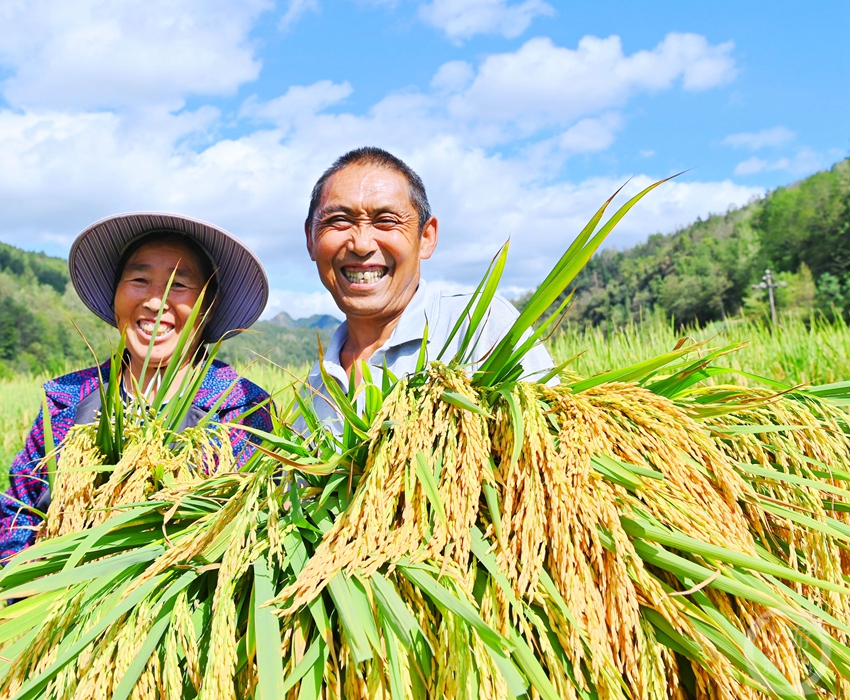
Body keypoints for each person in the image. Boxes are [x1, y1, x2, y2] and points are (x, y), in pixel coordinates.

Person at [0, 212, 273, 560]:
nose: (155, 302)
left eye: (178, 285)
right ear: (116, 294)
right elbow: (16, 514)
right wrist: (26, 591)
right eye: (140, 279)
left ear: (207, 307)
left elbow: (254, 537)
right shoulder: (64, 401)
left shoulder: (241, 411)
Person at [302, 147, 554, 436]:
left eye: (385, 221)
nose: (361, 244)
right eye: (339, 221)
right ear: (310, 239)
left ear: (426, 237)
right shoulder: (313, 390)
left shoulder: (481, 328)